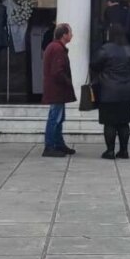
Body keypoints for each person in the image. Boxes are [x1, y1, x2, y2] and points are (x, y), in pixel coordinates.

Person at [91, 23, 130, 160]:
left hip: (109, 90)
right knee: (124, 122)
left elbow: (94, 64)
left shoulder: (105, 49)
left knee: (109, 122)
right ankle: (124, 150)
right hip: (127, 90)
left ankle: (110, 151)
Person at [41, 23, 77, 158]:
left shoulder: (54, 47)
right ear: (64, 35)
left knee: (59, 118)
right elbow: (58, 71)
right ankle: (50, 146)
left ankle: (58, 144)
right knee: (55, 118)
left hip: (56, 89)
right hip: (57, 89)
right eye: (70, 32)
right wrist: (68, 82)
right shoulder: (57, 49)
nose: (72, 35)